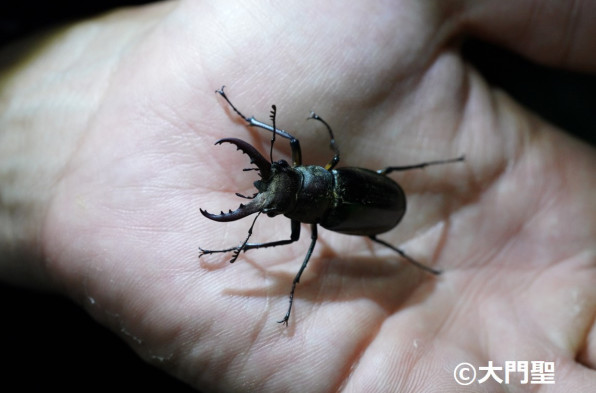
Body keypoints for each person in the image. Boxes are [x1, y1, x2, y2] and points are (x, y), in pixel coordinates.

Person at [1, 0, 594, 390]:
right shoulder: (319, 185)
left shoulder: (319, 197)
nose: (269, 186)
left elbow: (300, 219)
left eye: (277, 189)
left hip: (369, 203)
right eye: (276, 195)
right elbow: (292, 181)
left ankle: (416, 227)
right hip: (363, 207)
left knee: (391, 172)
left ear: (309, 173)